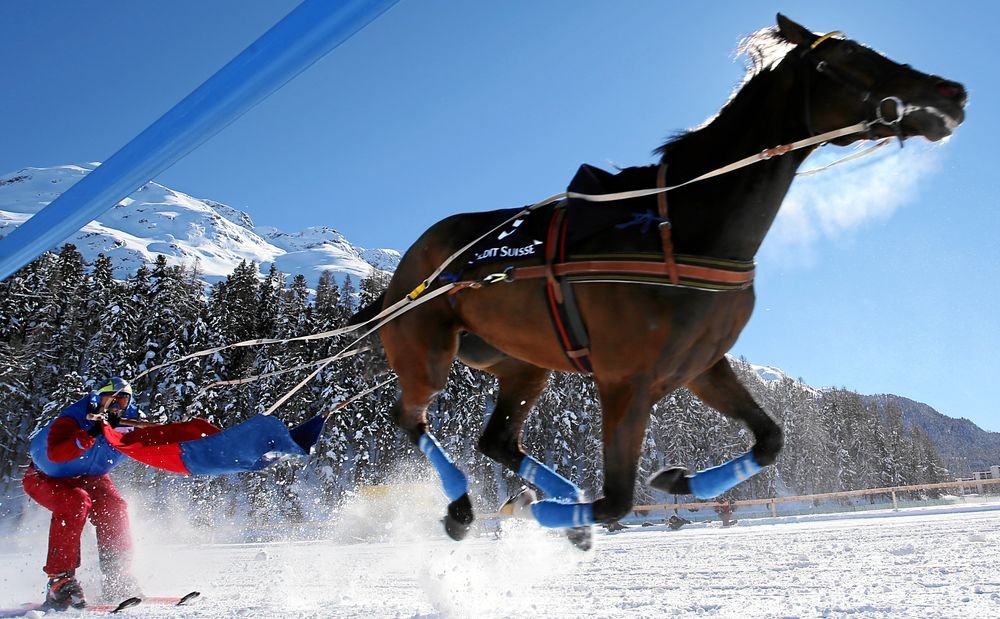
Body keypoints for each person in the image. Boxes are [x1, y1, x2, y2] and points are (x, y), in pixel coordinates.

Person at [23, 377, 146, 610]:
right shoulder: (73, 418)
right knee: (75, 502)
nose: (116, 406)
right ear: (99, 398)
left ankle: (116, 575)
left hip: (90, 477)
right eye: (111, 398)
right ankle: (60, 580)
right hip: (45, 478)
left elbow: (152, 444)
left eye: (123, 400)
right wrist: (90, 433)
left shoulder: (129, 421)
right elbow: (57, 454)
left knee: (114, 506)